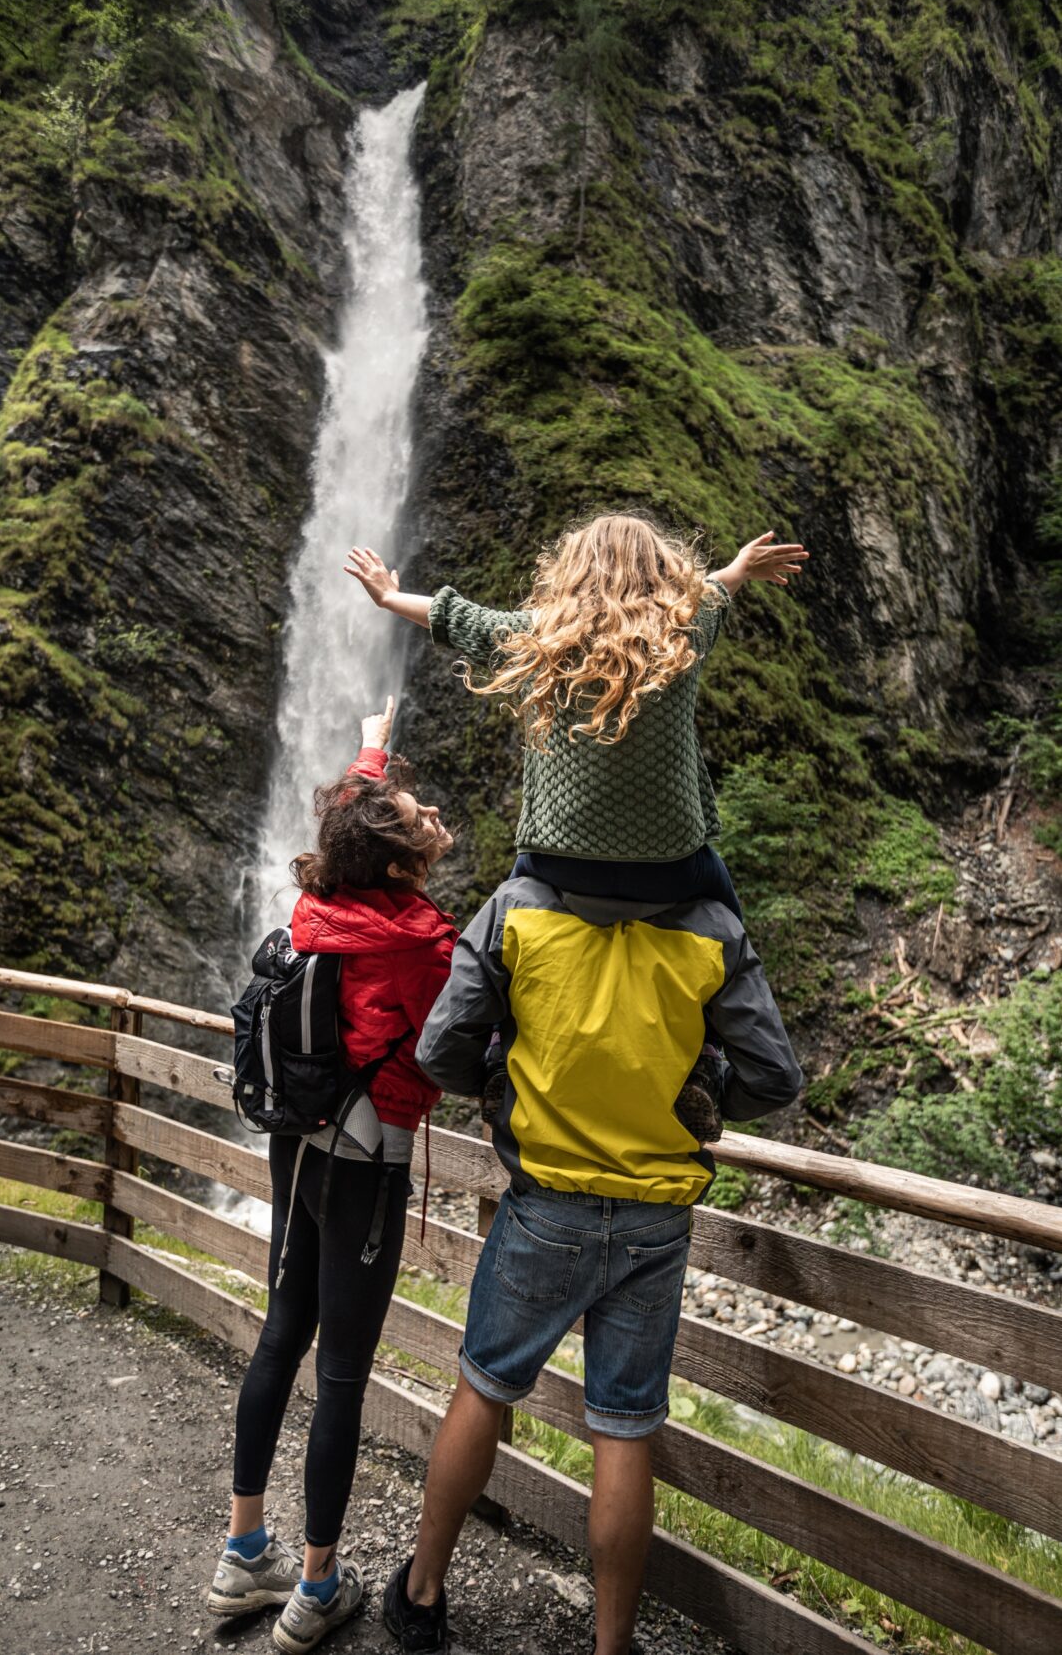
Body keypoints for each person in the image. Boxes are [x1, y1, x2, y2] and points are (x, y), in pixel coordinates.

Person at [383, 872, 803, 1655]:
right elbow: (775, 1075)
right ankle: (611, 1646)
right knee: (623, 1424)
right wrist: (701, 1087)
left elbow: (440, 1046)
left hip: (545, 1202)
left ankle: (421, 1594)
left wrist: (508, 1082)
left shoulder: (517, 909)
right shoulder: (711, 925)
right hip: (655, 1218)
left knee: (482, 1386)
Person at [344, 513, 807, 1129]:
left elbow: (456, 618)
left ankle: (503, 1058)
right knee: (729, 929)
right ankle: (703, 1062)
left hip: (557, 867)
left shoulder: (539, 638)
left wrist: (387, 595)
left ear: (571, 572)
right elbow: (714, 592)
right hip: (670, 870)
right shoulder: (683, 633)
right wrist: (741, 569)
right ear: (662, 571)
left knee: (501, 941)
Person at [207, 700, 457, 1653]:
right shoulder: (424, 944)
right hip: (366, 1165)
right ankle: (316, 1587)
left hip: (297, 1137)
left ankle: (245, 1553)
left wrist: (372, 744)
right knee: (343, 1372)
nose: (429, 812)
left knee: (281, 1335)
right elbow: (451, 1050)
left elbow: (351, 813)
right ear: (398, 864)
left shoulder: (320, 909)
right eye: (415, 812)